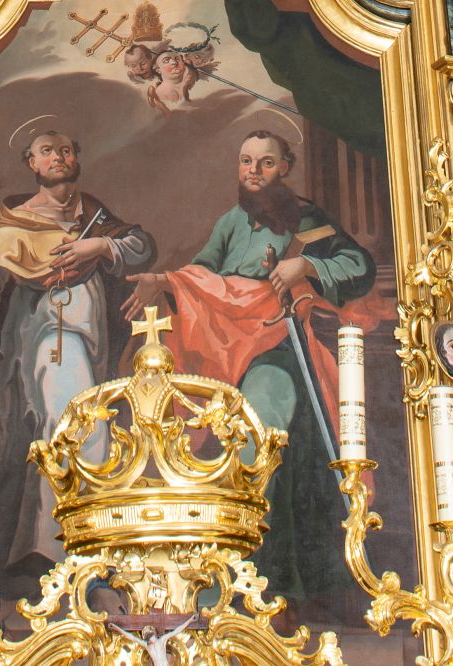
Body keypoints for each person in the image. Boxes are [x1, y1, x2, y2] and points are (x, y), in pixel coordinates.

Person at [131, 130, 386, 608]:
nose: (253, 171)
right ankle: (221, 577)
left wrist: (305, 267)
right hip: (227, 348)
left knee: (260, 432)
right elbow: (200, 278)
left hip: (278, 346)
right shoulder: (231, 222)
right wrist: (164, 283)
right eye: (246, 161)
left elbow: (358, 266)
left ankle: (264, 582)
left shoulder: (304, 219)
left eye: (265, 163)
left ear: (284, 167)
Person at [0, 123, 156, 603]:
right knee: (74, 427)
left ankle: (53, 547)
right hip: (44, 341)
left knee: (78, 427)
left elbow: (141, 246)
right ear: (32, 162)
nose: (58, 157)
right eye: (47, 151)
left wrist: (100, 246)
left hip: (93, 343)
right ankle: (63, 550)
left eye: (65, 150)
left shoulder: (94, 217)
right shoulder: (16, 223)